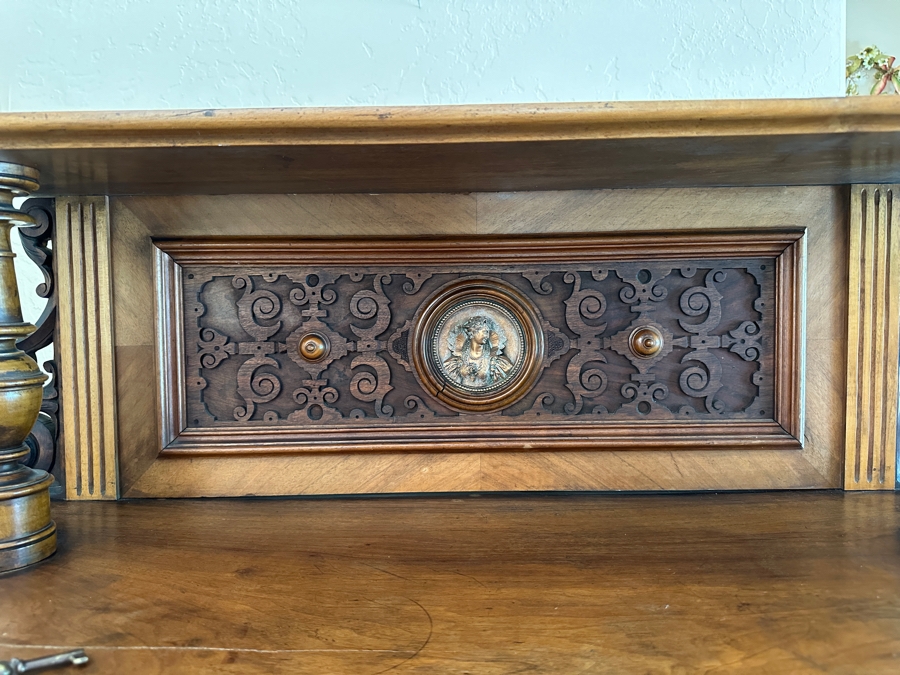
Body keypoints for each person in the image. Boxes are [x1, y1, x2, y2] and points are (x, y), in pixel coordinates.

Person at [442, 315, 514, 388]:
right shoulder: (456, 361)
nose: (487, 336)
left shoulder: (496, 362)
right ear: (473, 333)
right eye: (484, 332)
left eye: (488, 333)